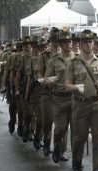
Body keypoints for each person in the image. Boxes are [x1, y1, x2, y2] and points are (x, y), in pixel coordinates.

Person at [65, 29, 98, 171]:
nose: (89, 44)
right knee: (80, 137)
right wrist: (75, 88)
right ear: (80, 44)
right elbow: (67, 85)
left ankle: (97, 170)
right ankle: (77, 161)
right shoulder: (73, 63)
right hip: (80, 105)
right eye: (85, 42)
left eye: (91, 41)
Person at [44, 30, 75, 162]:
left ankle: (73, 158)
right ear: (60, 44)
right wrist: (53, 79)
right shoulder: (53, 60)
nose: (67, 44)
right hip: (59, 98)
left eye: (69, 42)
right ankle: (56, 147)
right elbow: (46, 79)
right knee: (60, 128)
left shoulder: (78, 58)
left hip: (75, 98)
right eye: (64, 42)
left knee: (76, 131)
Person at [38, 27, 62, 157]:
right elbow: (39, 73)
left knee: (61, 124)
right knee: (47, 121)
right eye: (53, 39)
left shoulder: (66, 55)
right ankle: (46, 141)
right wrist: (44, 81)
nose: (56, 42)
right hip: (47, 93)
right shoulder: (44, 55)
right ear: (50, 40)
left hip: (62, 93)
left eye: (58, 40)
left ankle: (59, 149)